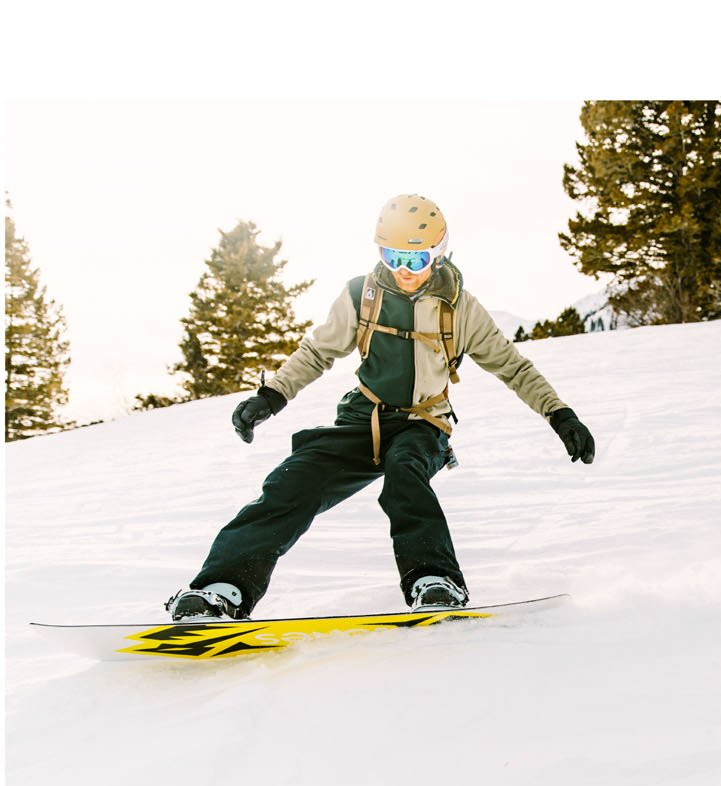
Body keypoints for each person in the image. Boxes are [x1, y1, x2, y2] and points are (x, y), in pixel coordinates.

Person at [163, 194, 596, 620]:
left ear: (439, 254)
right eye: (393, 258)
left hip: (422, 423)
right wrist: (271, 396)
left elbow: (513, 367)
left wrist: (560, 414)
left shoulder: (459, 308)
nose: (404, 272)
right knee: (292, 483)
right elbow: (318, 352)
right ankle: (222, 589)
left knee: (406, 477)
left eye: (416, 260)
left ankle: (435, 581)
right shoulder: (361, 295)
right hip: (361, 420)